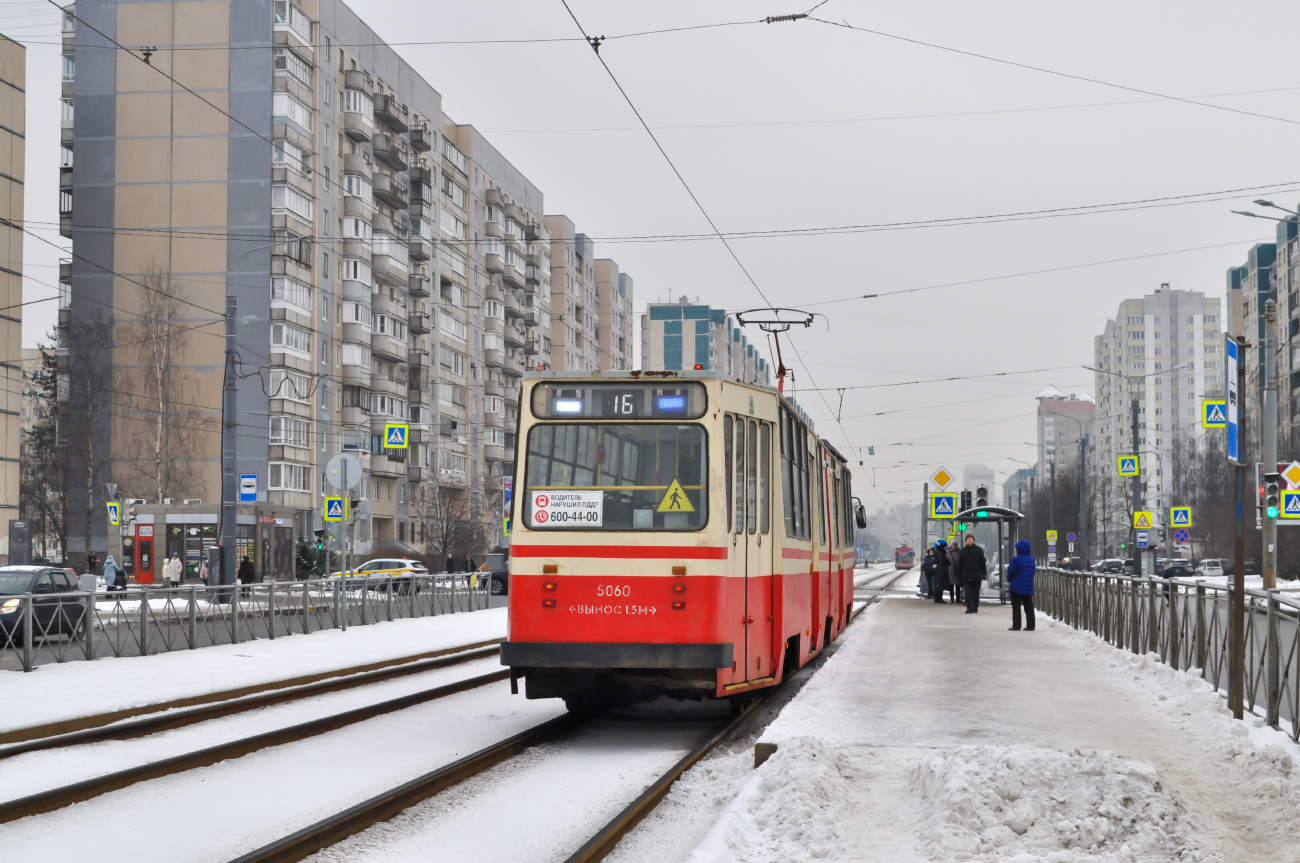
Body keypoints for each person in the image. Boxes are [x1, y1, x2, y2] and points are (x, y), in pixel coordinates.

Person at [1007, 539, 1036, 631]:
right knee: (1028, 606)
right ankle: (1031, 625)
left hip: (1016, 587)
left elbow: (1010, 571)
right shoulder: (1031, 560)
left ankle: (1016, 625)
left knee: (1016, 606)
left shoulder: (1017, 559)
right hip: (1028, 587)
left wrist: (1009, 579)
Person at [956, 534, 987, 614]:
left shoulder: (979, 550)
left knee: (976, 592)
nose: (969, 540)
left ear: (974, 540)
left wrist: (984, 573)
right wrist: (959, 575)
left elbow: (982, 562)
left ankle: (975, 606)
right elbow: (960, 564)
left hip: (976, 575)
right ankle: (969, 608)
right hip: (966, 576)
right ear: (966, 540)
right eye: (968, 538)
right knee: (968, 592)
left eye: (971, 538)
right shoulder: (963, 551)